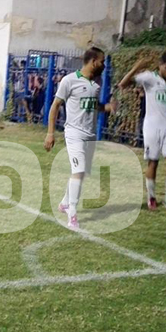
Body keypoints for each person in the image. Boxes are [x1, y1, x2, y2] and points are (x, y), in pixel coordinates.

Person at [43, 47, 114, 230]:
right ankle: (72, 213)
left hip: (90, 134)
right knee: (79, 169)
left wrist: (106, 107)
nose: (104, 65)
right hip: (74, 133)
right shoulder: (69, 81)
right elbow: (55, 106)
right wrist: (50, 133)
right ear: (93, 62)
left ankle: (65, 202)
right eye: (102, 61)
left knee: (81, 172)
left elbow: (93, 105)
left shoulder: (97, 82)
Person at [118, 52, 166, 214]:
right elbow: (123, 84)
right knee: (153, 163)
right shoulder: (149, 77)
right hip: (152, 128)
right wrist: (137, 67)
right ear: (160, 66)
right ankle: (151, 196)